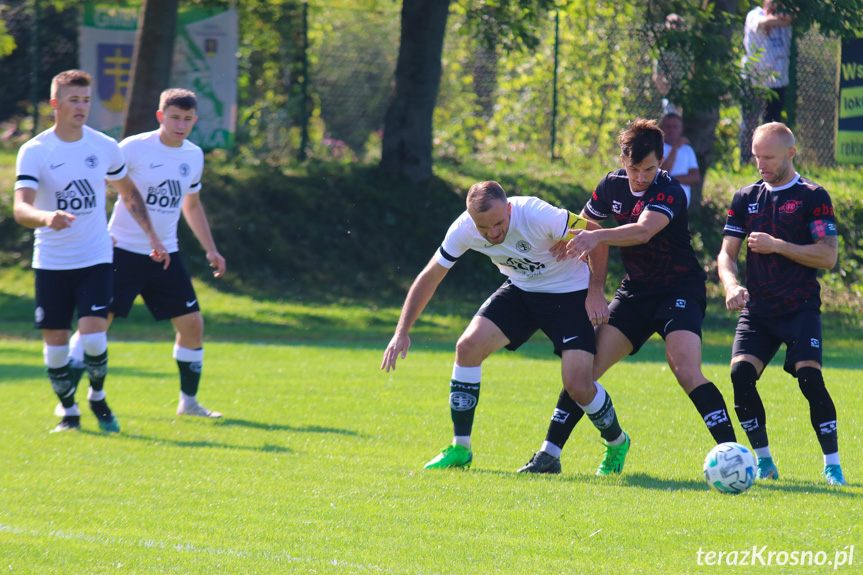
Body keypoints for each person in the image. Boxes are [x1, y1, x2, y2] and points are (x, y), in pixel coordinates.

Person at [521, 119, 736, 474]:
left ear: (661, 161)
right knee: (585, 372)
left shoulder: (668, 189)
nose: (641, 177)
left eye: (649, 168)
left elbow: (643, 231)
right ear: (623, 160)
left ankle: (732, 454)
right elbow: (584, 224)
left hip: (679, 289)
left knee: (685, 370)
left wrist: (598, 238)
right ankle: (550, 455)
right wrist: (567, 240)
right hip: (635, 292)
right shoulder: (611, 185)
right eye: (634, 169)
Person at [381, 181, 631, 475]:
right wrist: (402, 331)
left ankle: (617, 442)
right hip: (522, 290)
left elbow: (594, 233)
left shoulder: (537, 214)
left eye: (499, 223)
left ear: (509, 208)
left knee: (578, 384)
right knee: (467, 348)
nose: (493, 233)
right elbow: (430, 276)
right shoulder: (464, 228)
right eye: (484, 228)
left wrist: (595, 290)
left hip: (569, 293)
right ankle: (461, 447)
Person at [13, 69, 168, 433]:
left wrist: (153, 237)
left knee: (94, 335)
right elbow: (21, 208)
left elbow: (128, 192)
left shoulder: (104, 146)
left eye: (85, 100)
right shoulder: (35, 150)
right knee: (54, 346)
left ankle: (97, 396)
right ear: (56, 104)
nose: (81, 107)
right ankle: (69, 411)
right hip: (51, 262)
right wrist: (46, 217)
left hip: (96, 257)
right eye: (73, 100)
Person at [68, 88, 226, 418]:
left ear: (194, 120)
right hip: (120, 251)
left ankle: (189, 403)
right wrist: (98, 233)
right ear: (160, 116)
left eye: (187, 119)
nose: (180, 125)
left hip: (166, 255)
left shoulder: (193, 156)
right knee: (95, 327)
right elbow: (98, 188)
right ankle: (67, 400)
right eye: (174, 118)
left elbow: (191, 206)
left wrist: (211, 249)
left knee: (193, 325)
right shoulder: (133, 148)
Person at [718, 122, 846, 486]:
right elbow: (726, 255)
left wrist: (779, 246)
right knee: (740, 375)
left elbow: (827, 256)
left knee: (809, 378)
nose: (761, 164)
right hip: (758, 311)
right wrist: (730, 285)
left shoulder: (813, 196)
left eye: (769, 157)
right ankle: (764, 462)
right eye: (756, 156)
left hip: (799, 307)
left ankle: (833, 465)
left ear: (791, 153)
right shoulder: (745, 197)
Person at [739, 0, 793, 164]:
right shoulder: (754, 14)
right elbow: (763, 23)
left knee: (772, 124)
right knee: (750, 122)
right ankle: (747, 160)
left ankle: (771, 158)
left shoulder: (787, 14)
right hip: (754, 79)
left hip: (777, 80)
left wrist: (782, 19)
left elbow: (793, 16)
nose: (775, 5)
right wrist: (781, 20)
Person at [659, 113, 700, 207]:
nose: (671, 130)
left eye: (675, 127)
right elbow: (662, 173)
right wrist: (675, 148)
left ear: (681, 129)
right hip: (661, 202)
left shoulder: (687, 149)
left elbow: (695, 177)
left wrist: (671, 179)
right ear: (660, 128)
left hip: (681, 204)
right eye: (668, 126)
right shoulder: (656, 148)